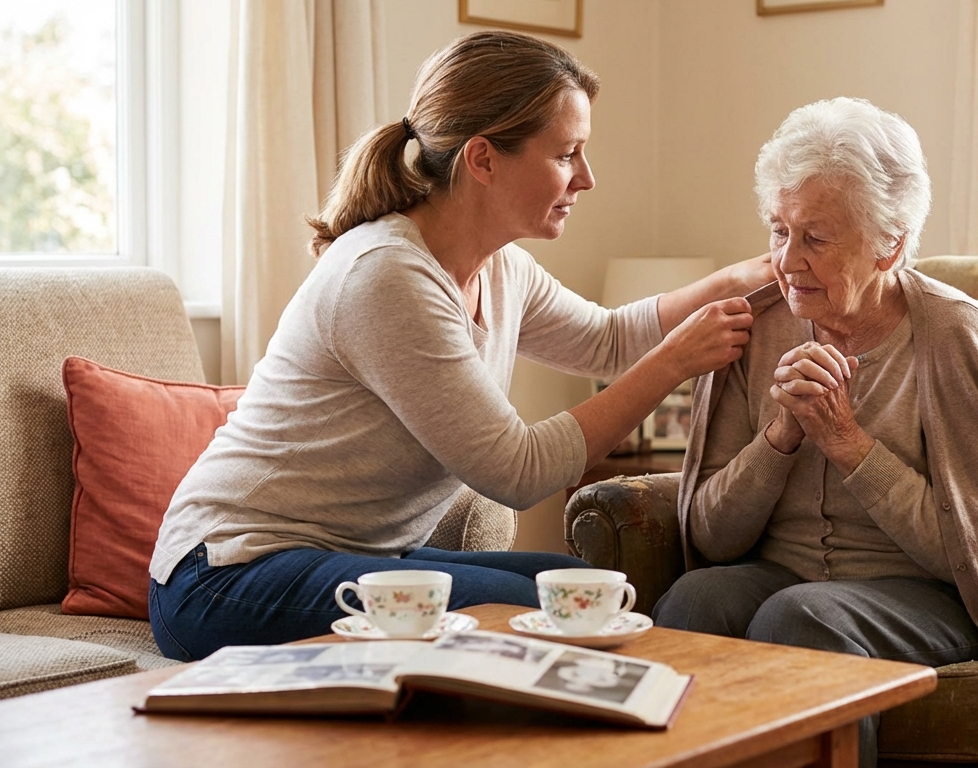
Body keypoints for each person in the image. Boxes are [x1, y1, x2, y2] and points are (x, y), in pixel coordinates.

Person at [147, 31, 768, 661]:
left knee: (581, 589)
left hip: (347, 555)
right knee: (534, 611)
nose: (587, 178)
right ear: (484, 159)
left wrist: (749, 277)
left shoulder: (501, 268)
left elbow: (607, 341)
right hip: (223, 577)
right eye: (566, 155)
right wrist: (677, 362)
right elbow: (518, 472)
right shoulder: (386, 275)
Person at [651, 97, 978, 767]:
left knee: (799, 618)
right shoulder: (752, 330)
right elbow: (709, 536)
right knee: (697, 599)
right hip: (777, 576)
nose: (787, 260)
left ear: (890, 244)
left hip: (926, 599)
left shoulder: (953, 337)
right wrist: (781, 436)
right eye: (777, 230)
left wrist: (848, 442)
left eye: (814, 238)